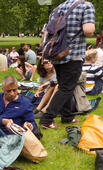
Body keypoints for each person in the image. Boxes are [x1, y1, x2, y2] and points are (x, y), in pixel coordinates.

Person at [39, 0, 95, 129]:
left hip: (57, 53)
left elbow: (48, 31)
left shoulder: (58, 8)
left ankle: (67, 116)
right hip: (73, 54)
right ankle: (47, 119)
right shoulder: (86, 6)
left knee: (64, 86)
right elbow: (88, 30)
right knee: (66, 88)